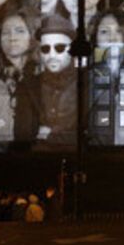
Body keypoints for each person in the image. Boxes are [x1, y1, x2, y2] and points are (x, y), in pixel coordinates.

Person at [15, 14, 78, 147]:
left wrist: (49, 135)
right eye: (45, 48)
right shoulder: (29, 86)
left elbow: (91, 136)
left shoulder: (86, 84)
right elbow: (23, 135)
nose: (52, 55)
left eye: (60, 48)